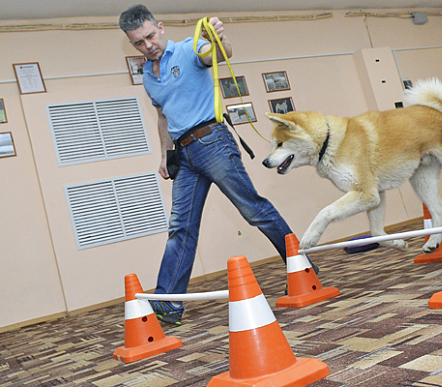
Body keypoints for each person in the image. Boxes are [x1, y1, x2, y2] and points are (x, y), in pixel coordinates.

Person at [119, 5, 316, 325]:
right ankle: (168, 304)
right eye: (139, 43)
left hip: (212, 142)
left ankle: (302, 268)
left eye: (150, 36)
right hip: (184, 155)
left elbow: (219, 54)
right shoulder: (148, 78)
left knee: (254, 209)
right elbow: (162, 117)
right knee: (180, 229)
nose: (148, 45)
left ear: (160, 27)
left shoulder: (189, 48)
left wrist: (219, 37)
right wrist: (164, 155)